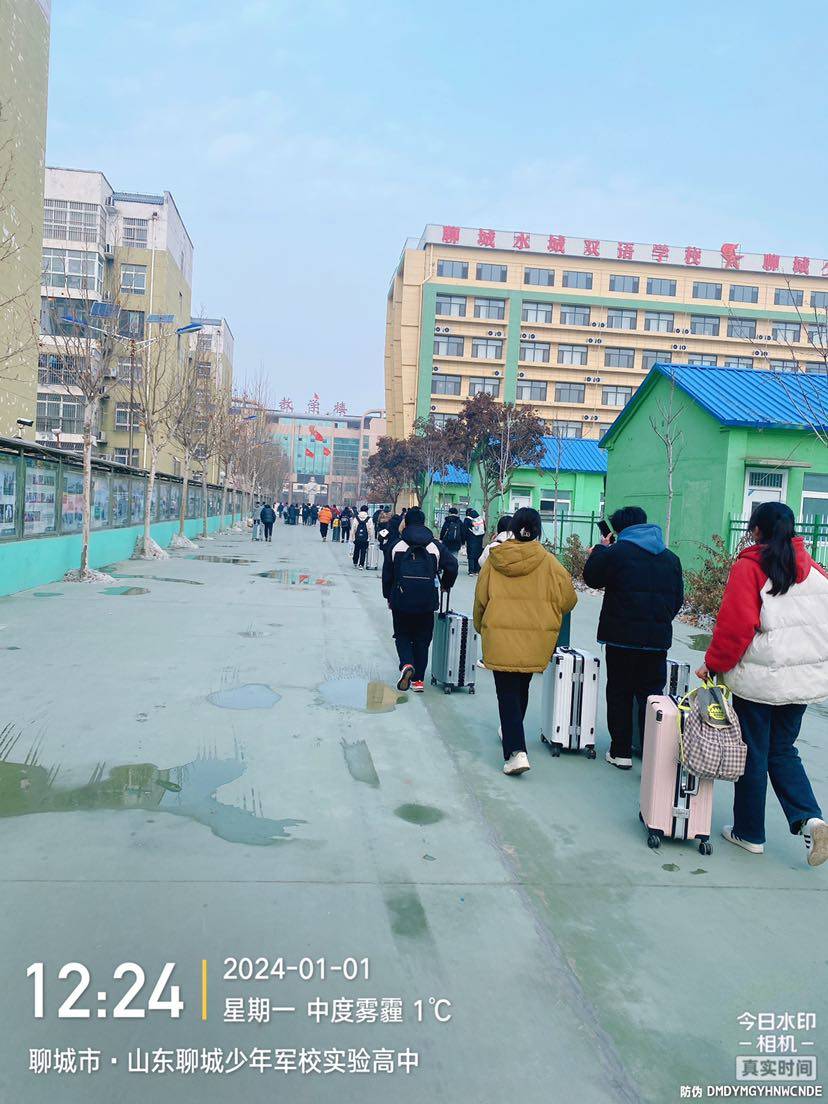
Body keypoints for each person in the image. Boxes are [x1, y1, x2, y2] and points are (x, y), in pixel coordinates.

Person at [696, 502, 828, 866]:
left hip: (759, 681)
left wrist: (713, 664)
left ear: (757, 530)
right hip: (801, 681)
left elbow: (735, 627)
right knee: (782, 749)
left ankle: (749, 833)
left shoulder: (750, 566)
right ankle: (811, 818)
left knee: (753, 751)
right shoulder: (815, 571)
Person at [474, 508, 577, 776]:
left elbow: (481, 600)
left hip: (500, 635)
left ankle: (516, 751)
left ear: (512, 529)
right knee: (521, 686)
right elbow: (569, 600)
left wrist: (481, 626)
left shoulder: (494, 560)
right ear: (538, 530)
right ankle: (511, 731)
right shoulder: (550, 563)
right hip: (536, 638)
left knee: (507, 693)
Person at [583, 506, 684, 770]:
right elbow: (677, 600)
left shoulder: (616, 553)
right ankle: (651, 754)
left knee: (620, 692)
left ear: (619, 530)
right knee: (651, 696)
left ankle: (621, 751)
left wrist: (601, 549)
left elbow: (592, 578)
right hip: (656, 641)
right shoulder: (671, 559)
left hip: (621, 639)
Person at [382, 507, 458, 693]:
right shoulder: (435, 546)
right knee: (422, 639)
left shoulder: (397, 545)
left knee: (402, 635)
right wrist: (446, 584)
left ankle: (407, 664)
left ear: (406, 522)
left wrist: (388, 595)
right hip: (427, 600)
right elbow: (452, 565)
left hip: (401, 599)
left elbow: (387, 574)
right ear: (423, 523)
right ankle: (418, 681)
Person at [464, 508, 485, 575]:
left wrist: (464, 540)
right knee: (478, 554)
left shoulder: (467, 519)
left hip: (471, 539)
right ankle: (477, 570)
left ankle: (471, 571)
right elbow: (484, 529)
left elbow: (464, 529)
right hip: (479, 540)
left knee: (471, 555)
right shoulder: (480, 519)